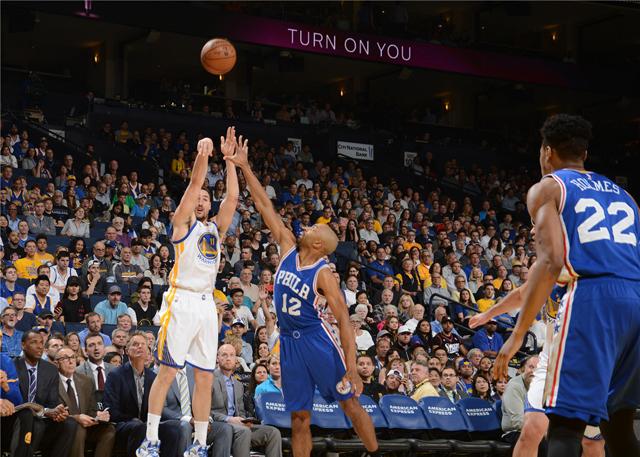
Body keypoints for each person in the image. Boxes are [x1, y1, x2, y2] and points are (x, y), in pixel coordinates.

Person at [494, 114, 638, 457]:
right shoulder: (625, 194)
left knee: (565, 425)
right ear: (584, 154)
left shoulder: (549, 186)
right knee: (618, 425)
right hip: (635, 297)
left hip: (594, 298)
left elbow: (552, 262)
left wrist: (517, 335)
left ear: (546, 151)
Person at [226, 136, 380, 456]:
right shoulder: (286, 247)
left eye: (311, 229)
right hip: (290, 343)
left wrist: (351, 366)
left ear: (319, 244)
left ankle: (375, 452)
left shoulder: (323, 273)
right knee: (299, 417)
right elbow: (263, 205)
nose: (305, 228)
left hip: (316, 340)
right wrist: (243, 166)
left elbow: (343, 320)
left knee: (349, 404)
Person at [139, 129, 239, 457]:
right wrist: (202, 156)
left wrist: (230, 161)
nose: (200, 201)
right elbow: (195, 185)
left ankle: (198, 444)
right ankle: (151, 438)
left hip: (206, 304)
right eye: (197, 198)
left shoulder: (215, 228)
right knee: (168, 370)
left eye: (206, 199)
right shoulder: (182, 224)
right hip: (180, 299)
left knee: (205, 378)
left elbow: (233, 199)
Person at [104, 331, 180, 457]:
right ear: (127, 351)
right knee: (140, 427)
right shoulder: (116, 375)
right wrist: (134, 420)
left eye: (143, 344)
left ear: (148, 352)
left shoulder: (153, 377)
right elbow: (112, 410)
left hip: (146, 424)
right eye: (135, 344)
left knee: (173, 430)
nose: (139, 347)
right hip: (123, 424)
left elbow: (158, 408)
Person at [12, 330, 77, 457]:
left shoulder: (50, 369)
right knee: (35, 423)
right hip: (18, 418)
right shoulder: (13, 365)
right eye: (34, 342)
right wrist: (45, 411)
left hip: (42, 417)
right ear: (23, 345)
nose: (40, 346)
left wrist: (58, 411)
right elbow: (16, 402)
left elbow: (52, 401)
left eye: (42, 342)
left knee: (70, 424)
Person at [212, 344, 282, 457]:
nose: (228, 358)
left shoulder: (239, 385)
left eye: (232, 355)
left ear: (236, 359)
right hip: (219, 426)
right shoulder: (209, 380)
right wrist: (228, 419)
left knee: (273, 432)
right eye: (224, 355)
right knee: (243, 432)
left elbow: (241, 412)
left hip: (239, 427)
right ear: (217, 358)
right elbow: (204, 412)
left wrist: (246, 421)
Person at [53, 346, 116, 457]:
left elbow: (91, 409)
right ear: (56, 363)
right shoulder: (51, 382)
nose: (71, 361)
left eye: (73, 357)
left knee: (109, 429)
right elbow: (53, 412)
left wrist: (98, 415)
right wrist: (76, 418)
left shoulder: (86, 381)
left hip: (86, 425)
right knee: (78, 427)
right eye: (65, 358)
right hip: (62, 426)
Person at [161, 365, 233, 457]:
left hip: (196, 420)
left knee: (224, 428)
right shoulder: (162, 371)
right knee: (185, 426)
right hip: (173, 422)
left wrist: (206, 418)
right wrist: (188, 419)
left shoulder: (194, 372)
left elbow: (202, 398)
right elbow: (162, 409)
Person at [76, 333, 115, 403]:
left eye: (99, 344)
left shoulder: (114, 370)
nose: (96, 348)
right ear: (85, 351)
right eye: (91, 345)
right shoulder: (78, 372)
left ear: (104, 347)